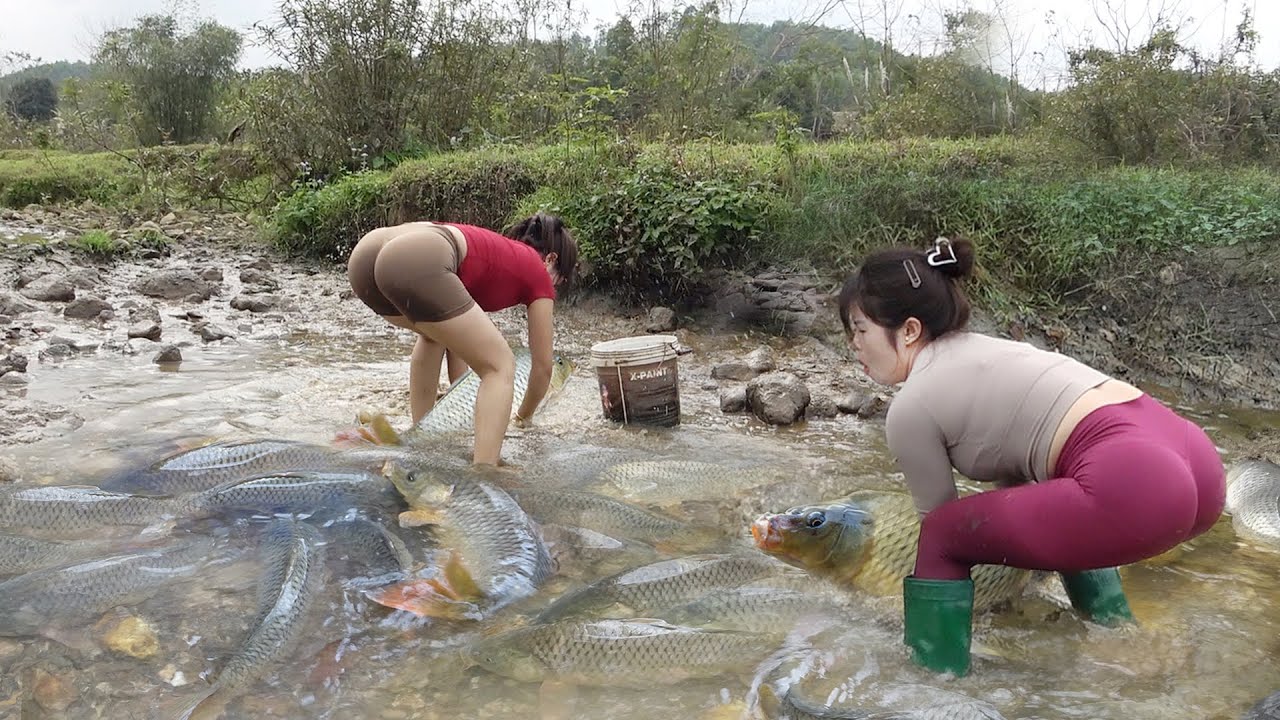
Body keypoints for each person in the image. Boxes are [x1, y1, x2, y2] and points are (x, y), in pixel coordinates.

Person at [838, 235, 1226, 677]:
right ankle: (1117, 633)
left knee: (942, 534)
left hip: (1134, 479)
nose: (853, 343)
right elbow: (1029, 500)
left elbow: (939, 531)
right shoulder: (987, 349)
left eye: (860, 329)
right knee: (1057, 500)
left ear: (909, 330)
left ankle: (932, 682)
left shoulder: (912, 407)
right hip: (1194, 458)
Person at [346, 213, 577, 466]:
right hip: (416, 256)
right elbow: (543, 367)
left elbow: (455, 343)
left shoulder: (497, 256)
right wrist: (523, 418)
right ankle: (485, 473)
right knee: (501, 365)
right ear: (551, 259)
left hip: (366, 257)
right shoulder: (538, 272)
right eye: (561, 279)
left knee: (432, 337)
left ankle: (421, 442)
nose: (555, 287)